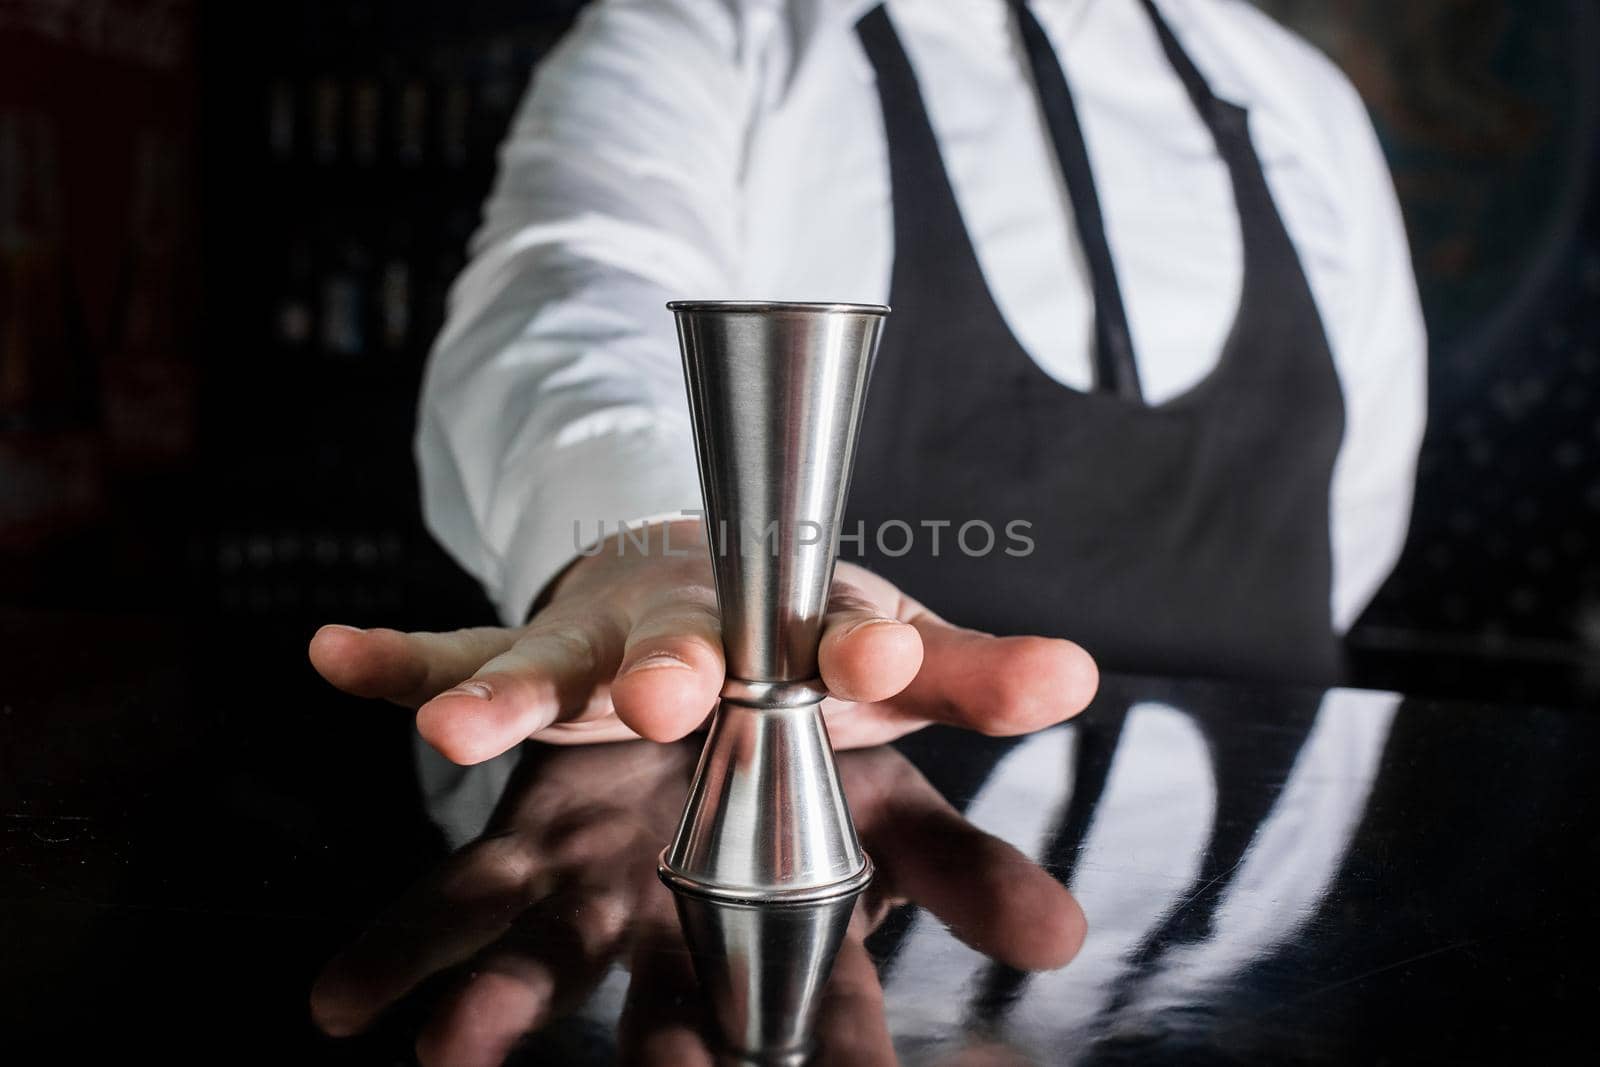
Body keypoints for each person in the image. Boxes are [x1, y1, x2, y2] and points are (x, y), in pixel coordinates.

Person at [309, 0, 1425, 763]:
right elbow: (570, 288)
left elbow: (1360, 506)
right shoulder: (708, 32)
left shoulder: (1298, 100)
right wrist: (662, 545)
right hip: (830, 901)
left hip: (1261, 917)